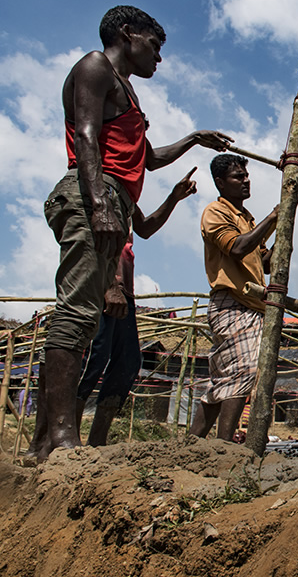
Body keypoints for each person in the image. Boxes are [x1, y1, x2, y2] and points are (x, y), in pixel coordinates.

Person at [32, 5, 232, 460]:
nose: (158, 58)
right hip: (93, 192)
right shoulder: (95, 67)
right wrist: (100, 205)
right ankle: (61, 438)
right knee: (77, 313)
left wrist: (194, 138)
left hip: (112, 198)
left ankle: (44, 441)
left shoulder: (127, 93)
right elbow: (85, 137)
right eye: (154, 46)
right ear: (128, 33)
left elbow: (147, 158)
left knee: (82, 322)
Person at [75, 169, 199, 446]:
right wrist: (108, 284)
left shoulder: (124, 195)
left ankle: (97, 441)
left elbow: (144, 228)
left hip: (123, 291)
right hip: (99, 286)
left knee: (128, 362)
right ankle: (66, 440)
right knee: (90, 361)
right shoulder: (96, 190)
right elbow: (85, 239)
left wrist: (173, 198)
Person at [189, 154, 277, 442]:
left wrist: (280, 240)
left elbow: (261, 262)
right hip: (232, 301)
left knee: (223, 380)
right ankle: (223, 446)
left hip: (251, 304)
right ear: (220, 182)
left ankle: (191, 444)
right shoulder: (216, 212)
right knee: (244, 370)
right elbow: (236, 248)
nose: (245, 181)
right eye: (238, 177)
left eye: (246, 176)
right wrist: (273, 218)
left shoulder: (246, 218)